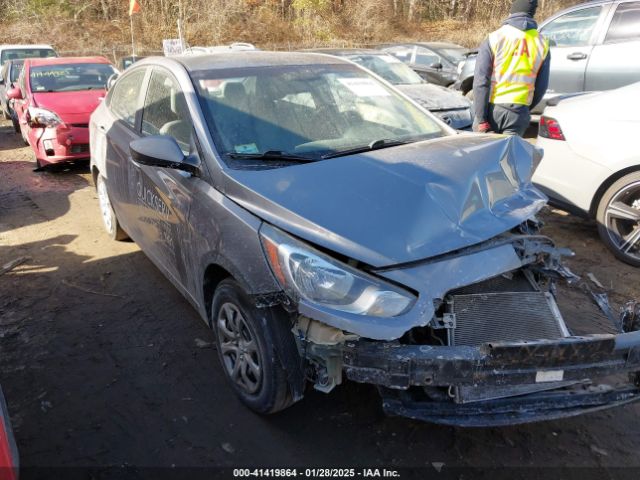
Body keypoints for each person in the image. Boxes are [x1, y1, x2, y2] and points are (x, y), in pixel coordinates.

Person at [472, 0, 550, 136]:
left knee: (481, 155)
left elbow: (481, 81)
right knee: (508, 156)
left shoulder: (495, 37)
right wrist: (524, 108)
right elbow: (541, 87)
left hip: (493, 109)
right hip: (519, 113)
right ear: (532, 13)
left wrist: (481, 119)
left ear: (512, 11)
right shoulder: (542, 43)